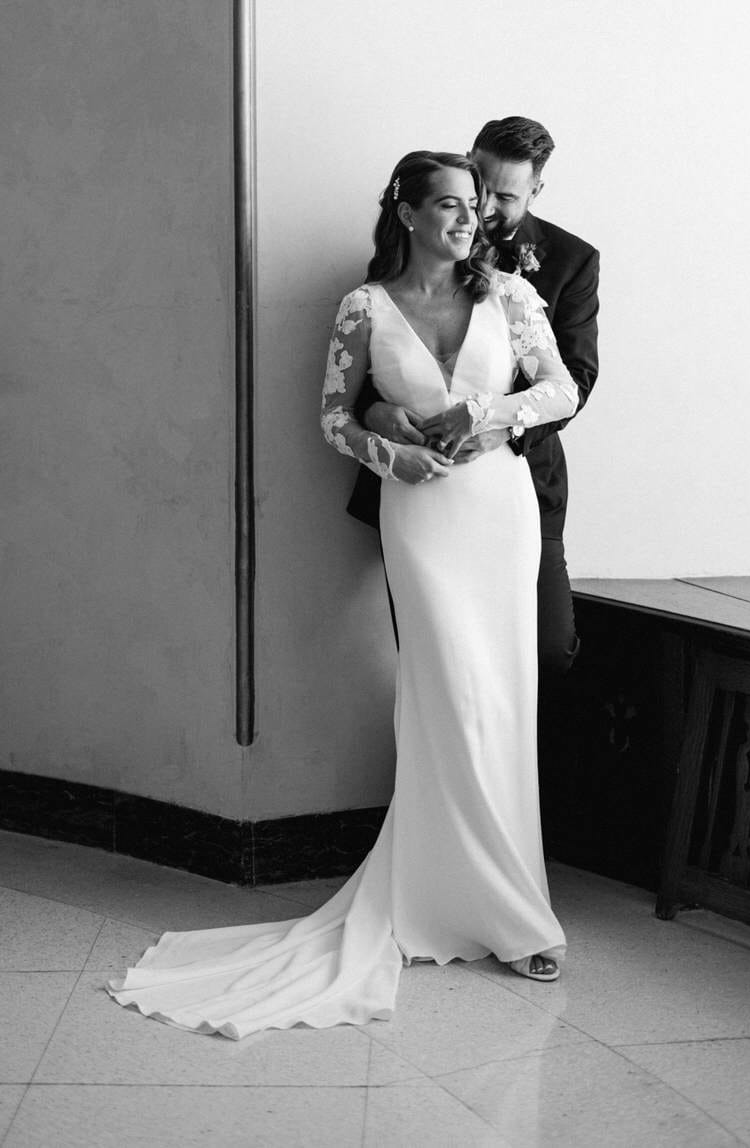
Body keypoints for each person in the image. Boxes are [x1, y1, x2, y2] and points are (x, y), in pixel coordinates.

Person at [105, 151, 578, 1037]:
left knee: (502, 702)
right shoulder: (363, 307)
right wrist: (385, 447)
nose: (466, 221)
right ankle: (461, 900)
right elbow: (332, 416)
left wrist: (483, 415)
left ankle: (508, 911)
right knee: (446, 698)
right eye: (446, 206)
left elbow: (560, 389)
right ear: (403, 212)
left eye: (473, 206)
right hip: (422, 518)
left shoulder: (509, 294)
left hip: (498, 510)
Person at [350, 117, 599, 676]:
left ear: (537, 191)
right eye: (477, 185)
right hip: (416, 485)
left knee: (546, 648)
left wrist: (497, 426)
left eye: (503, 196)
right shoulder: (404, 261)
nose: (481, 208)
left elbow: (574, 380)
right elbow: (378, 359)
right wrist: (377, 412)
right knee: (433, 656)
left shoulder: (570, 261)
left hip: (519, 481)